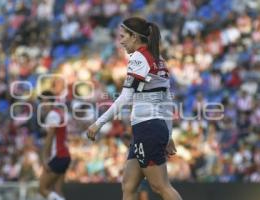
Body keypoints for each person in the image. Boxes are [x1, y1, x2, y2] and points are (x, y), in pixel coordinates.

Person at [87, 17, 182, 200]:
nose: (120, 41)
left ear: (135, 37)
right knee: (128, 185)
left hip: (148, 127)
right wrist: (168, 134)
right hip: (151, 127)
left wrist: (98, 123)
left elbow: (126, 97)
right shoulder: (158, 59)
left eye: (123, 36)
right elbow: (166, 100)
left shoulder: (139, 58)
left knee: (161, 186)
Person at [38, 91, 71, 200]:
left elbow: (50, 138)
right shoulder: (59, 113)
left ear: (50, 101)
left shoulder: (53, 115)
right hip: (64, 155)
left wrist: (44, 158)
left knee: (42, 189)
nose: (42, 104)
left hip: (58, 156)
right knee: (57, 190)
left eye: (44, 101)